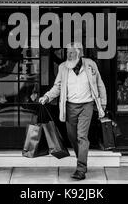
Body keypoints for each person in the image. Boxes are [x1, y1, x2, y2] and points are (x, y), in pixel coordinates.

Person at [39, 42, 107, 180]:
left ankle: (81, 168)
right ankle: (81, 159)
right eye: (67, 52)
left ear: (79, 52)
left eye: (72, 52)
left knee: (82, 136)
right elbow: (57, 86)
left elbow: (99, 83)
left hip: (86, 105)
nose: (68, 55)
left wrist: (103, 103)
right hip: (69, 107)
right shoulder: (63, 67)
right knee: (72, 137)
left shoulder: (90, 64)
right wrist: (47, 96)